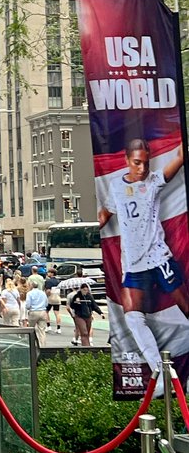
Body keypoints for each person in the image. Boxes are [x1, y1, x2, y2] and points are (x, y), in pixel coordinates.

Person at [98, 139, 189, 370]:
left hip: (159, 258)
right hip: (134, 264)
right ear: (127, 160)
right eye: (137, 163)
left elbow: (179, 158)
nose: (142, 169)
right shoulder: (116, 186)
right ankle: (160, 371)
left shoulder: (154, 181)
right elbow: (105, 214)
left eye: (146, 163)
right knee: (132, 317)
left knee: (186, 308)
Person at [68, 283, 104, 347]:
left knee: (87, 332)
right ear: (81, 289)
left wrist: (100, 313)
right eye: (84, 290)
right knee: (84, 332)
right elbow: (72, 306)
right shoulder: (77, 296)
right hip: (79, 316)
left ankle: (87, 345)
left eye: (86, 290)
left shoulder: (89, 296)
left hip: (88, 315)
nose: (85, 291)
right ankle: (85, 347)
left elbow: (94, 305)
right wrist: (76, 302)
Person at [24, 281, 49, 347]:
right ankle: (42, 345)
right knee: (42, 330)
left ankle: (31, 344)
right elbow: (46, 303)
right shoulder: (43, 293)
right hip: (43, 311)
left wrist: (28, 308)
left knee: (31, 329)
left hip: (33, 312)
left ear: (31, 286)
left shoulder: (29, 293)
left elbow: (28, 305)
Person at [44, 265, 62, 332]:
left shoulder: (48, 281)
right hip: (57, 298)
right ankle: (58, 328)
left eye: (48, 272)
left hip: (50, 298)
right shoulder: (58, 281)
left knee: (46, 311)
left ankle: (48, 326)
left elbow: (48, 291)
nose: (48, 273)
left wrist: (46, 295)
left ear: (52, 273)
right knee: (57, 313)